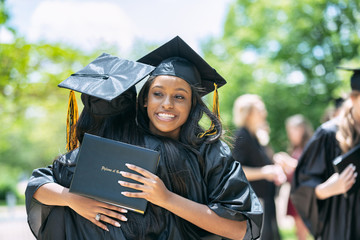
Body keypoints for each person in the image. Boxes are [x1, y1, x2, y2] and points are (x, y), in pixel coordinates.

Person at [115, 36, 263, 239]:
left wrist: (166, 198)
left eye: (179, 96)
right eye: (158, 93)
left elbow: (240, 228)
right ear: (145, 100)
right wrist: (73, 200)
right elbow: (58, 179)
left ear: (193, 104)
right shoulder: (123, 143)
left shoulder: (211, 152)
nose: (167, 104)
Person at [25, 53, 155, 239]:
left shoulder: (70, 163)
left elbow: (35, 186)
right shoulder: (153, 155)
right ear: (133, 111)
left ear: (86, 116)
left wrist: (68, 198)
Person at [291, 67, 360, 240]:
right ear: (353, 98)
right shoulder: (328, 134)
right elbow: (301, 188)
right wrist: (327, 189)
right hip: (342, 226)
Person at [232, 94, 286, 240]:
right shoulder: (242, 136)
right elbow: (237, 170)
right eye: (260, 110)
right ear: (248, 113)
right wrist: (264, 172)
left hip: (265, 200)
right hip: (254, 203)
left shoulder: (254, 136)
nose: (265, 113)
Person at [273, 114, 313, 240]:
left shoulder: (309, 147)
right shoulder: (296, 148)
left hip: (304, 194)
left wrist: (288, 162)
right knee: (299, 232)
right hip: (296, 193)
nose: (290, 135)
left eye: (292, 131)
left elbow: (308, 170)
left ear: (302, 129)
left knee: (303, 232)